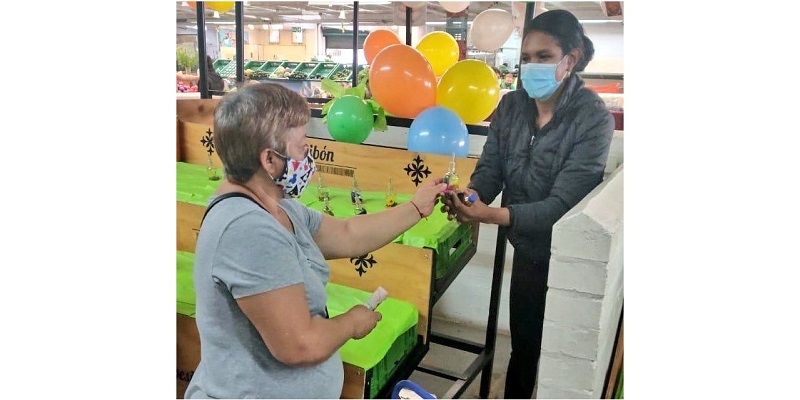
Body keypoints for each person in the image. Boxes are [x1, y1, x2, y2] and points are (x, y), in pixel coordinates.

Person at [184, 83, 447, 399]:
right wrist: (351, 323)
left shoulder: (279, 207)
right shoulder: (247, 229)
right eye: (301, 145)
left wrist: (416, 207)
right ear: (269, 160)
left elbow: (349, 234)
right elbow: (299, 344)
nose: (308, 155)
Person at [439, 9, 614, 399]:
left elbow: (561, 207)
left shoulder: (592, 119)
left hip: (567, 256)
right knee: (523, 348)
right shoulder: (512, 107)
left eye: (544, 57)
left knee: (559, 352)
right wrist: (470, 195)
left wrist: (491, 215)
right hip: (529, 250)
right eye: (526, 58)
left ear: (570, 60)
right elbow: (492, 168)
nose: (532, 66)